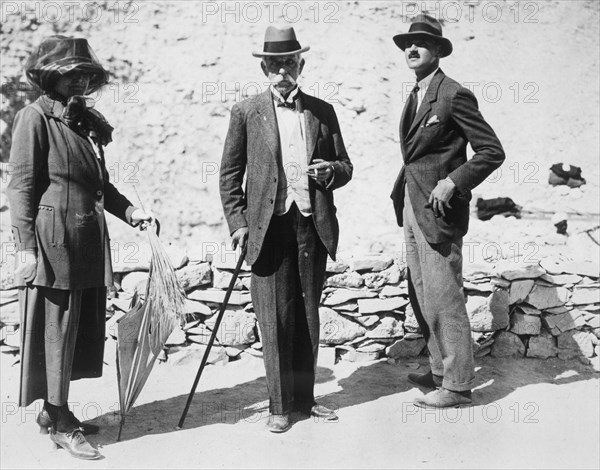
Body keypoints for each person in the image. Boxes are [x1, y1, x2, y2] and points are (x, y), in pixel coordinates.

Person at [7, 36, 153, 459]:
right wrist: (26, 248)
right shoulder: (34, 119)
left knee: (75, 330)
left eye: (85, 74)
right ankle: (61, 419)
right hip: (53, 244)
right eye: (72, 74)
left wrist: (130, 213)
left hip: (86, 242)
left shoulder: (84, 123)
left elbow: (100, 185)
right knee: (56, 330)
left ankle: (53, 413)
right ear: (52, 77)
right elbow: (21, 187)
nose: (80, 81)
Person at [220, 25, 352, 432]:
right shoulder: (246, 112)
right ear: (264, 68)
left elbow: (346, 166)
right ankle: (279, 406)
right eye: (274, 65)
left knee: (307, 314)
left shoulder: (321, 111)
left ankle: (306, 400)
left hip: (311, 224)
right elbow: (229, 175)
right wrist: (239, 223)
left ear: (301, 65)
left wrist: (330, 170)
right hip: (268, 228)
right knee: (274, 317)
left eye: (289, 64)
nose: (282, 72)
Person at [390, 15, 505, 408]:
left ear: (438, 50)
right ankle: (439, 370)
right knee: (422, 292)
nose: (411, 48)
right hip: (411, 203)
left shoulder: (453, 93)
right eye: (407, 43)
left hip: (439, 210)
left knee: (444, 295)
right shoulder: (417, 94)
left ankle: (457, 386)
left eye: (420, 43)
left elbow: (492, 151)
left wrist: (454, 181)